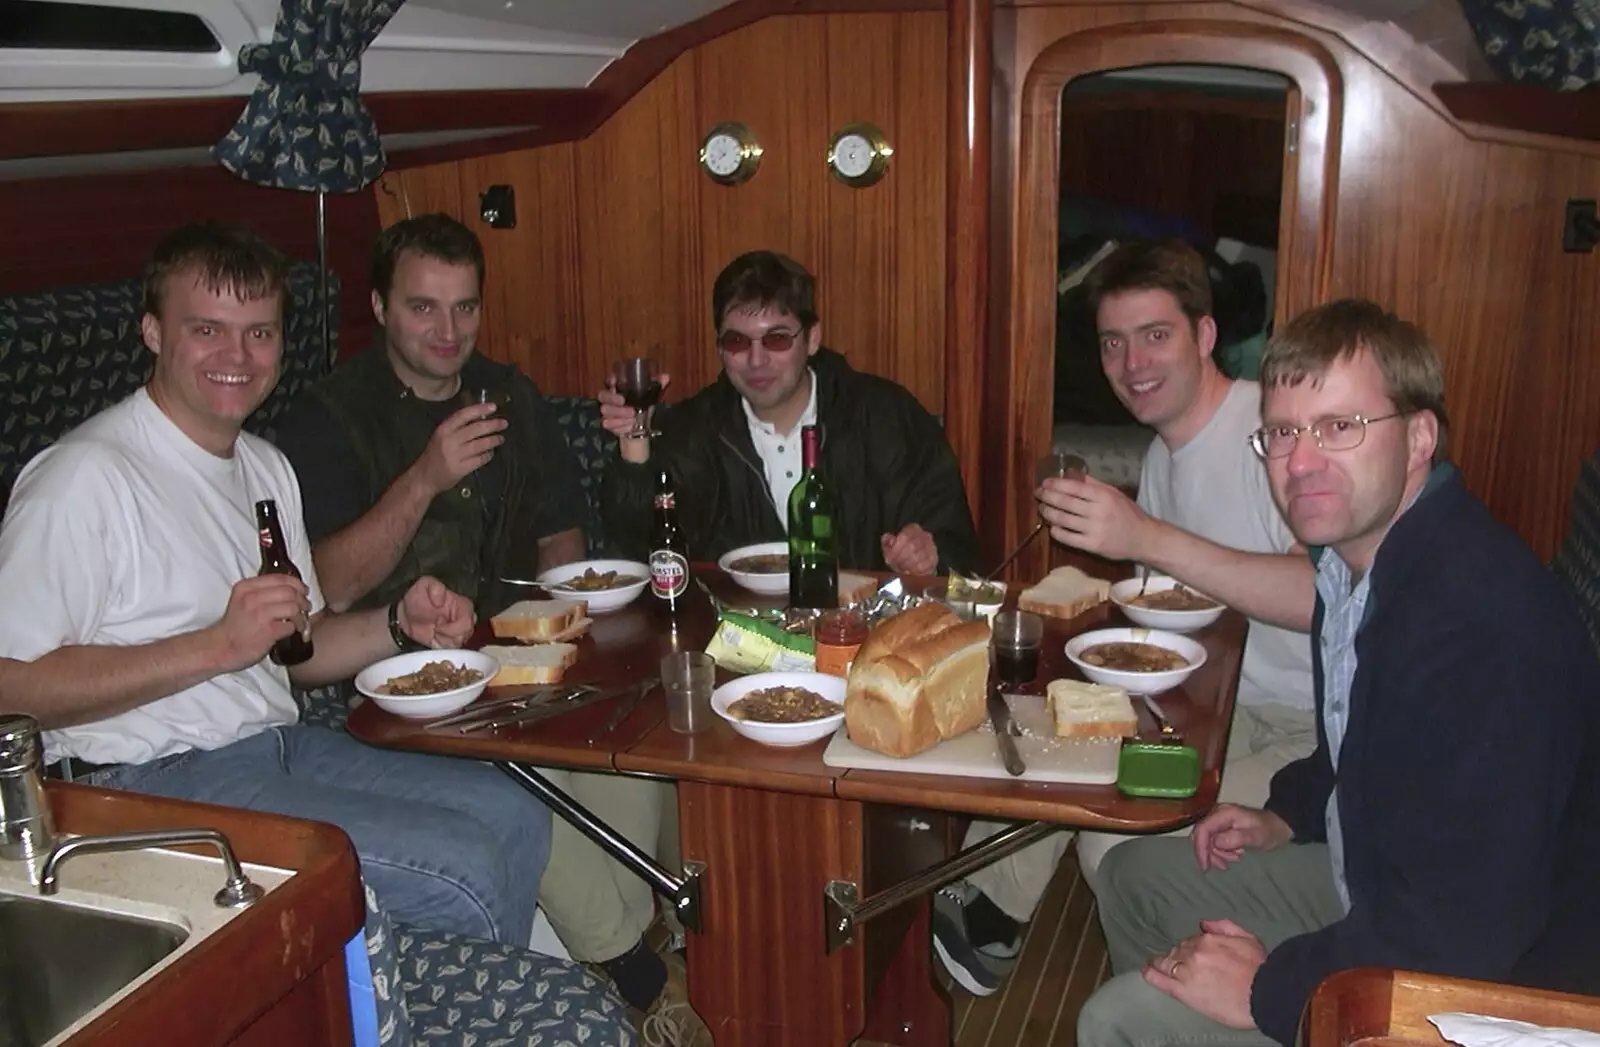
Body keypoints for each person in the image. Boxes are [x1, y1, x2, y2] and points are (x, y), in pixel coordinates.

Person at [0, 220, 550, 947]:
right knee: (462, 868)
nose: (237, 355)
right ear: (154, 333)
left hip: (275, 744)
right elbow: (11, 685)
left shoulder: (264, 466)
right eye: (208, 329)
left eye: (259, 332)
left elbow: (302, 649)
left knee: (517, 811)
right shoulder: (83, 479)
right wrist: (215, 646)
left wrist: (398, 622)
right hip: (136, 784)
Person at [1077, 299, 1600, 1047]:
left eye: (1340, 427)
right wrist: (1285, 812)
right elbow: (1360, 743)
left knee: (1117, 1019)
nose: (1302, 461)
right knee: (1133, 879)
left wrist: (1265, 988)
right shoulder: (1354, 569)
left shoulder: (1479, 627)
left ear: (1419, 437)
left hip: (1493, 990)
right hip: (1384, 880)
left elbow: (1462, 934)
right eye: (1284, 432)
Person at [273, 214, 707, 1045]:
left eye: (464, 309)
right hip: (402, 677)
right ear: (379, 306)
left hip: (520, 653)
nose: (448, 332)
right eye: (423, 308)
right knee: (531, 797)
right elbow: (321, 586)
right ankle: (641, 975)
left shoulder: (511, 394)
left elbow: (560, 531)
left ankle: (650, 940)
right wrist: (426, 476)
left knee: (634, 749)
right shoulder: (326, 420)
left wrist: (563, 623)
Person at [934, 240, 1317, 996]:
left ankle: (1172, 996)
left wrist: (1143, 535)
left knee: (1107, 834)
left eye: (1155, 334)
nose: (1132, 361)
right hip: (1208, 704)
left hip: (1301, 730)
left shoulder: (1265, 437)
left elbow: (1320, 594)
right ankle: (992, 904)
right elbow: (1172, 605)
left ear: (1204, 336)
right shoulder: (1159, 454)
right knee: (1051, 714)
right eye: (1113, 341)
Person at [597, 250, 980, 577]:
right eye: (737, 341)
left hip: (861, 638)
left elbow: (958, 546)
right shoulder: (697, 427)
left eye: (777, 339)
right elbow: (645, 553)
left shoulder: (883, 415)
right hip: (736, 643)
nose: (756, 359)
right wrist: (635, 443)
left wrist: (930, 552)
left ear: (812, 338)